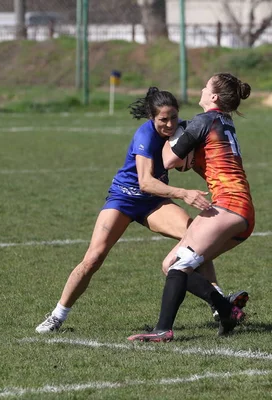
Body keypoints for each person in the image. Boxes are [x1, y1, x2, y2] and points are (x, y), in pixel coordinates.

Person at [35, 87, 247, 334]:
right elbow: (145, 182)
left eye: (173, 118)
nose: (169, 125)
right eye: (162, 120)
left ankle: (219, 301)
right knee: (94, 257)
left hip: (153, 202)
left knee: (194, 236)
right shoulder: (145, 135)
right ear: (151, 117)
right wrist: (184, 193)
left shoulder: (183, 128)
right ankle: (57, 316)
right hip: (124, 199)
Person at [127, 73, 255, 342]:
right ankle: (225, 310)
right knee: (170, 265)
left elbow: (170, 159)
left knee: (178, 264)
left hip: (228, 206)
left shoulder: (203, 120)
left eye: (206, 86)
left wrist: (174, 136)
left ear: (214, 97)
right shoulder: (224, 121)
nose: (202, 88)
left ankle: (164, 330)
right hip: (240, 210)